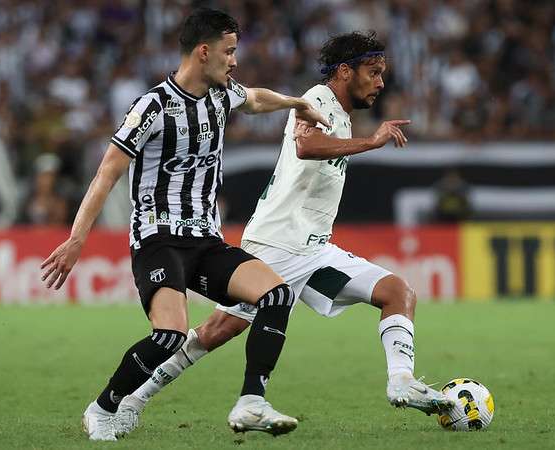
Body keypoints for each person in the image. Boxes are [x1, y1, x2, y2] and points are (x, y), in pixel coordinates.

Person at [112, 31, 454, 439]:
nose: (381, 82)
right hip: (277, 244)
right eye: (373, 72)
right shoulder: (317, 99)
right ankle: (133, 399)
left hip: (314, 249)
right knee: (217, 332)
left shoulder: (342, 114)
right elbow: (307, 147)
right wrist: (371, 142)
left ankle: (401, 381)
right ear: (345, 72)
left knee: (397, 291)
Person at [40, 8, 328, 441]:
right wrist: (77, 239)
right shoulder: (152, 107)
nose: (234, 61)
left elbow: (253, 99)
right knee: (170, 336)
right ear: (204, 51)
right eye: (229, 52)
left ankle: (252, 401)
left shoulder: (221, 94)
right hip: (159, 240)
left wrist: (296, 103)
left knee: (276, 295)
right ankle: (102, 409)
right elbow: (107, 174)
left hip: (206, 241)